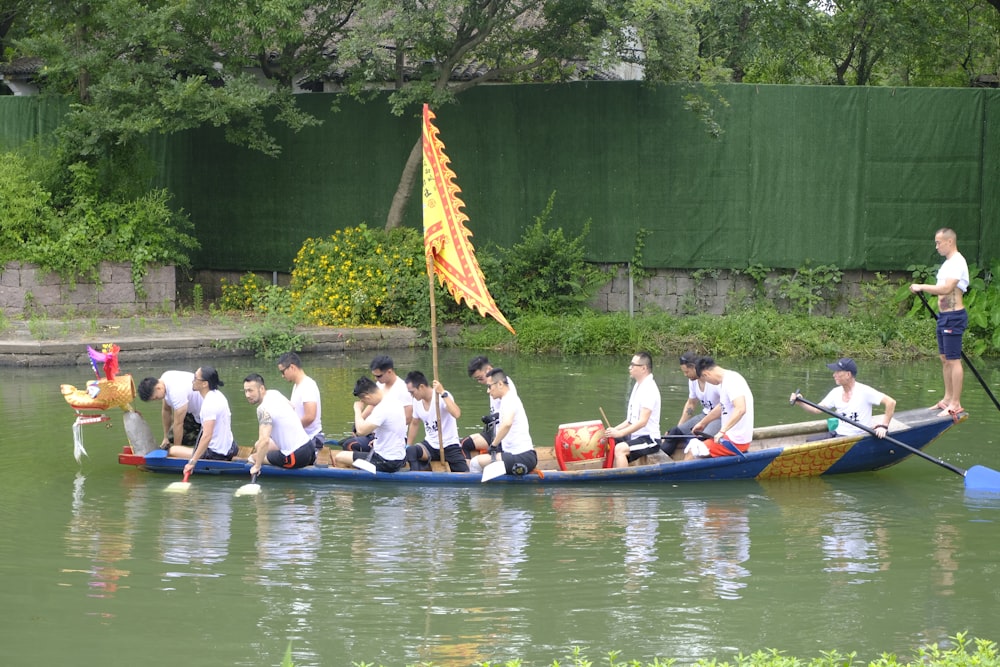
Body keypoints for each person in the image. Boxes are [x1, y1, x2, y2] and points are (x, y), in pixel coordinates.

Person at [909, 227, 969, 416]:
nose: (936, 246)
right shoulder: (947, 263)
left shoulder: (958, 261)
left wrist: (921, 286)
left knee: (953, 360)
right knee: (944, 359)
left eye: (938, 242)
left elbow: (946, 288)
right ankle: (947, 399)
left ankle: (956, 403)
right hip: (944, 317)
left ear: (949, 241)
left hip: (954, 316)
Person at [791, 358, 897, 439]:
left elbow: (891, 402)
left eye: (837, 372)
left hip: (857, 437)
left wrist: (884, 426)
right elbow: (816, 409)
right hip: (838, 434)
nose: (834, 375)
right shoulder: (835, 392)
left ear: (848, 374)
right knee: (810, 441)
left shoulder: (865, 391)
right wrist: (800, 402)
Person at [243, 373, 316, 474]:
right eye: (245, 391)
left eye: (251, 391)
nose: (247, 395)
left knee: (254, 456)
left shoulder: (262, 409)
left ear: (261, 388)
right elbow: (292, 407)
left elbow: (264, 440)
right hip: (309, 448)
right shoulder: (274, 393)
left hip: (295, 457)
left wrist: (257, 465)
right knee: (257, 445)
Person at [469, 369, 536, 476]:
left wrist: (494, 445)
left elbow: (507, 424)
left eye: (489, 386)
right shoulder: (506, 400)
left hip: (522, 457)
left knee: (475, 463)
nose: (488, 391)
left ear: (500, 384)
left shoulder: (510, 399)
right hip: (515, 455)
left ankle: (478, 492)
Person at [333, 376, 407, 473]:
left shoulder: (382, 408)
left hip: (387, 461)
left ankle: (356, 486)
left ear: (367, 397)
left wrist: (358, 410)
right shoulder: (393, 400)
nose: (364, 403)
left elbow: (360, 431)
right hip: (399, 456)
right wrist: (378, 441)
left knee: (339, 458)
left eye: (363, 400)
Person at [172, 366, 237, 476]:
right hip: (232, 448)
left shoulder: (209, 404)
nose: (192, 381)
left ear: (204, 384)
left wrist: (192, 462)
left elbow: (207, 436)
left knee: (173, 450)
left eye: (195, 378)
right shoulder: (218, 395)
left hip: (217, 454)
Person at [686, 357, 754, 460]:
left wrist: (722, 431)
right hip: (730, 437)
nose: (709, 383)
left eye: (706, 381)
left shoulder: (732, 381)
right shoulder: (727, 379)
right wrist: (702, 423)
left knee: (692, 451)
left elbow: (740, 409)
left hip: (735, 441)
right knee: (699, 446)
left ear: (706, 374)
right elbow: (722, 407)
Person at [341, 355, 412, 451]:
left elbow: (407, 418)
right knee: (345, 441)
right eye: (374, 376)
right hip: (375, 430)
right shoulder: (379, 385)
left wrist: (379, 432)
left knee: (350, 445)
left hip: (391, 437)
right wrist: (356, 425)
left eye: (378, 376)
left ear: (389, 372)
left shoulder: (402, 389)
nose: (375, 379)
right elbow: (371, 406)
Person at [605, 351, 662, 468]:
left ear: (643, 368)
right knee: (608, 439)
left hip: (649, 439)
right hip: (635, 435)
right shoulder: (638, 385)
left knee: (620, 449)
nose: (629, 368)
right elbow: (630, 421)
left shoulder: (649, 389)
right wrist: (613, 430)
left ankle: (621, 483)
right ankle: (607, 471)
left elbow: (642, 422)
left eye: (633, 365)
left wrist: (620, 433)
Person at [404, 371, 469, 472]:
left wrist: (442, 392)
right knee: (411, 451)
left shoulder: (441, 397)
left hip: (449, 445)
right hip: (430, 445)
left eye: (412, 392)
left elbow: (457, 414)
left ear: (421, 387)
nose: (412, 396)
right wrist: (408, 446)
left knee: (463, 472)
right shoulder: (417, 402)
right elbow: (414, 423)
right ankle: (415, 480)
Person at [661, 352, 721, 456]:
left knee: (701, 437)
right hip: (705, 415)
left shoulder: (713, 381)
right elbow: (691, 404)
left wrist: (703, 423)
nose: (685, 375)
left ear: (694, 367)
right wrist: (679, 428)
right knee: (674, 433)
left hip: (720, 417)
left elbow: (724, 406)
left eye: (687, 372)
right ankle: (660, 460)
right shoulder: (692, 381)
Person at [461, 355, 517, 458]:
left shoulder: (504, 384)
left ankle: (467, 473)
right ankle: (466, 472)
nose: (479, 382)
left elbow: (511, 413)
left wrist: (495, 416)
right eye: (476, 379)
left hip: (504, 436)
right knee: (463, 443)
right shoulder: (492, 385)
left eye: (480, 378)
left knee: (465, 445)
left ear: (488, 369)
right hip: (492, 431)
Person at [137, 371, 204, 449]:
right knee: (171, 436)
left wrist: (176, 450)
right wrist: (165, 438)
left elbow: (179, 423)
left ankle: (203, 446)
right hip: (193, 412)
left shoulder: (176, 392)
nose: (156, 400)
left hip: (208, 416)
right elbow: (166, 410)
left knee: (181, 434)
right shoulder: (164, 379)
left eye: (156, 398)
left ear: (158, 388)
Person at [277, 351, 324, 450]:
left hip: (312, 438)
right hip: (301, 436)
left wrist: (290, 429)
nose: (282, 375)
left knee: (267, 446)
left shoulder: (307, 385)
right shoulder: (297, 385)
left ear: (292, 367)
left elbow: (310, 417)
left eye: (283, 372)